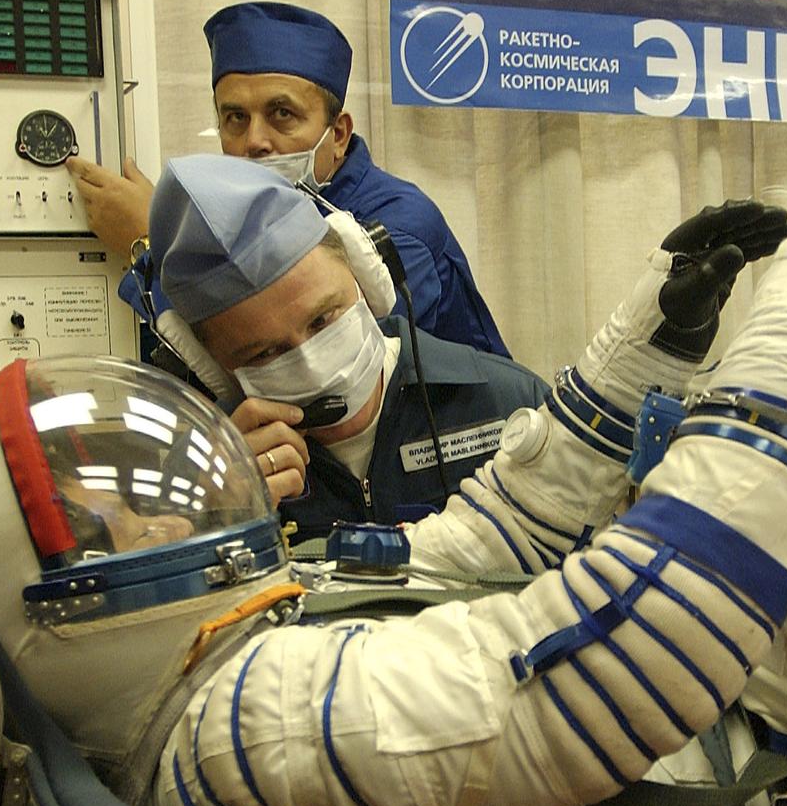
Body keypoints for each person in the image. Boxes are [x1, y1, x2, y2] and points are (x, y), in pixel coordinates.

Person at [0, 144, 787, 806]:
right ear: (49, 621)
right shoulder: (244, 727)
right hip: (776, 804)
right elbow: (625, 655)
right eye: (108, 519)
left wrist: (652, 344)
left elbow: (474, 544)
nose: (167, 512)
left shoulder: (186, 681)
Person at [66, 0, 513, 357]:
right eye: (235, 118)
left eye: (282, 115)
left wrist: (148, 246)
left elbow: (310, 368)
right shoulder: (237, 215)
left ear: (337, 135)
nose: (254, 141)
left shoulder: (397, 226)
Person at [146, 154, 550, 539]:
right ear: (214, 370)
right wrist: (215, 521)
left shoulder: (510, 405)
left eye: (323, 319)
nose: (314, 365)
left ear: (366, 277)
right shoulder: (197, 475)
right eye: (264, 353)